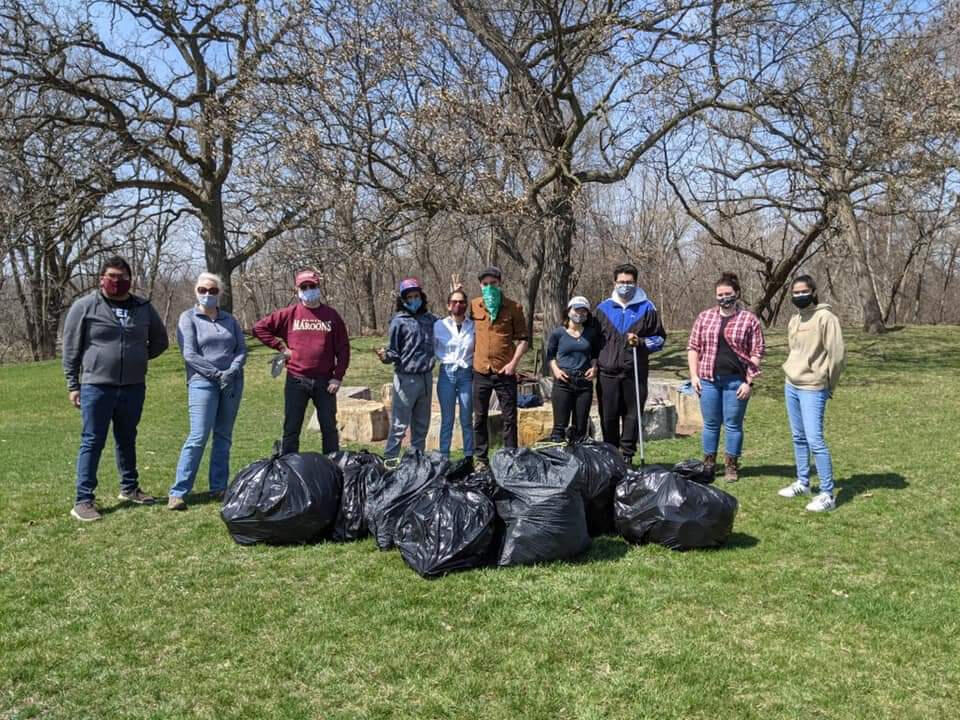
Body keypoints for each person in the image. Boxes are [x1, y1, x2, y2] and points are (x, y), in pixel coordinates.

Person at [62, 255, 169, 521]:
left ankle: (130, 488)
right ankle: (83, 500)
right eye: (112, 277)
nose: (117, 282)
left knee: (127, 437)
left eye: (123, 278)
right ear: (101, 279)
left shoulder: (143, 307)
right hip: (96, 386)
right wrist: (73, 384)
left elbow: (160, 341)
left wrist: (138, 357)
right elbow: (71, 348)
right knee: (92, 441)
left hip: (133, 386)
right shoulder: (85, 306)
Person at [168, 272, 247, 510]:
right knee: (198, 436)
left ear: (219, 293)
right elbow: (189, 354)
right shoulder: (188, 318)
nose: (207, 294)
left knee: (223, 436)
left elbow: (241, 349)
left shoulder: (229, 320)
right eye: (203, 290)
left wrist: (232, 370)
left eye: (213, 291)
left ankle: (219, 487)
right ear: (196, 291)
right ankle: (179, 491)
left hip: (232, 382)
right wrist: (216, 374)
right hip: (202, 382)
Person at [252, 268, 349, 455]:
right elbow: (259, 328)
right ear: (297, 290)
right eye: (303, 287)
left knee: (329, 428)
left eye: (311, 286)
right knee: (291, 429)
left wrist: (337, 377)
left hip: (325, 382)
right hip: (296, 380)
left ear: (318, 287)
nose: (308, 290)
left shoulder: (331, 316)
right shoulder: (290, 314)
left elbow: (343, 349)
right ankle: (289, 468)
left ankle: (331, 466)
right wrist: (281, 348)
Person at [687, 272, 766, 482]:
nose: (724, 298)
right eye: (720, 294)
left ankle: (731, 465)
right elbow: (693, 347)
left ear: (737, 293)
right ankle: (709, 464)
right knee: (710, 424)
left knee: (733, 424)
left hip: (736, 381)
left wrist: (749, 381)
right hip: (708, 380)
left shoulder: (749, 319)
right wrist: (694, 376)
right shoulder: (704, 317)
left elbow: (757, 351)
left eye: (728, 293)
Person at [777, 274, 846, 512]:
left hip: (813, 387)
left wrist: (829, 384)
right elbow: (793, 350)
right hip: (792, 384)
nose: (799, 296)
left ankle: (828, 494)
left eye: (803, 291)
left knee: (815, 439)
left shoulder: (826, 318)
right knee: (798, 437)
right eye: (795, 293)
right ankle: (803, 482)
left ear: (813, 292)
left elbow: (836, 356)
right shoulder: (795, 319)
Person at [595, 263, 666, 464]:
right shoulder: (603, 309)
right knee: (608, 416)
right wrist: (593, 364)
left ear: (636, 283)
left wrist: (642, 342)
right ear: (614, 282)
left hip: (634, 371)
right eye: (621, 282)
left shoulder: (648, 308)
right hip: (607, 372)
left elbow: (660, 339)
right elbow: (594, 341)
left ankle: (627, 455)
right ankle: (610, 454)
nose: (625, 286)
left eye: (629, 282)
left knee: (632, 415)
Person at [470, 266, 528, 471]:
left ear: (500, 283)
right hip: (480, 371)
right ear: (480, 285)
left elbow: (523, 340)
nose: (489, 287)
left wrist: (513, 364)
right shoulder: (474, 306)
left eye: (493, 284)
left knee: (509, 417)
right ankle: (481, 459)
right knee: (479, 417)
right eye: (485, 284)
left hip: (505, 372)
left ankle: (509, 456)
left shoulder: (514, 307)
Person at [377, 278, 437, 463]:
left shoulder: (430, 319)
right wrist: (384, 356)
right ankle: (390, 460)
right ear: (403, 300)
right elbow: (394, 351)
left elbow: (450, 327)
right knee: (399, 424)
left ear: (422, 296)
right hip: (406, 378)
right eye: (409, 297)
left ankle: (415, 461)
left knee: (421, 425)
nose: (413, 300)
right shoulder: (398, 321)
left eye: (416, 296)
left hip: (426, 378)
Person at [546, 296, 601, 443]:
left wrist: (594, 367)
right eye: (577, 310)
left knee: (580, 427)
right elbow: (550, 356)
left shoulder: (591, 333)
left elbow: (595, 354)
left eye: (584, 311)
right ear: (569, 311)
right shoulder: (558, 333)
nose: (580, 314)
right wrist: (556, 371)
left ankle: (579, 460)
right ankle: (558, 460)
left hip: (584, 383)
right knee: (560, 427)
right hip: (564, 382)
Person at [433, 287, 475, 460]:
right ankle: (444, 457)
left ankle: (469, 457)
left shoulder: (473, 325)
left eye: (462, 302)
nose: (458, 305)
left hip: (466, 374)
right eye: (454, 302)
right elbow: (432, 347)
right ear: (448, 305)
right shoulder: (439, 325)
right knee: (447, 419)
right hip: (446, 374)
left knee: (466, 418)